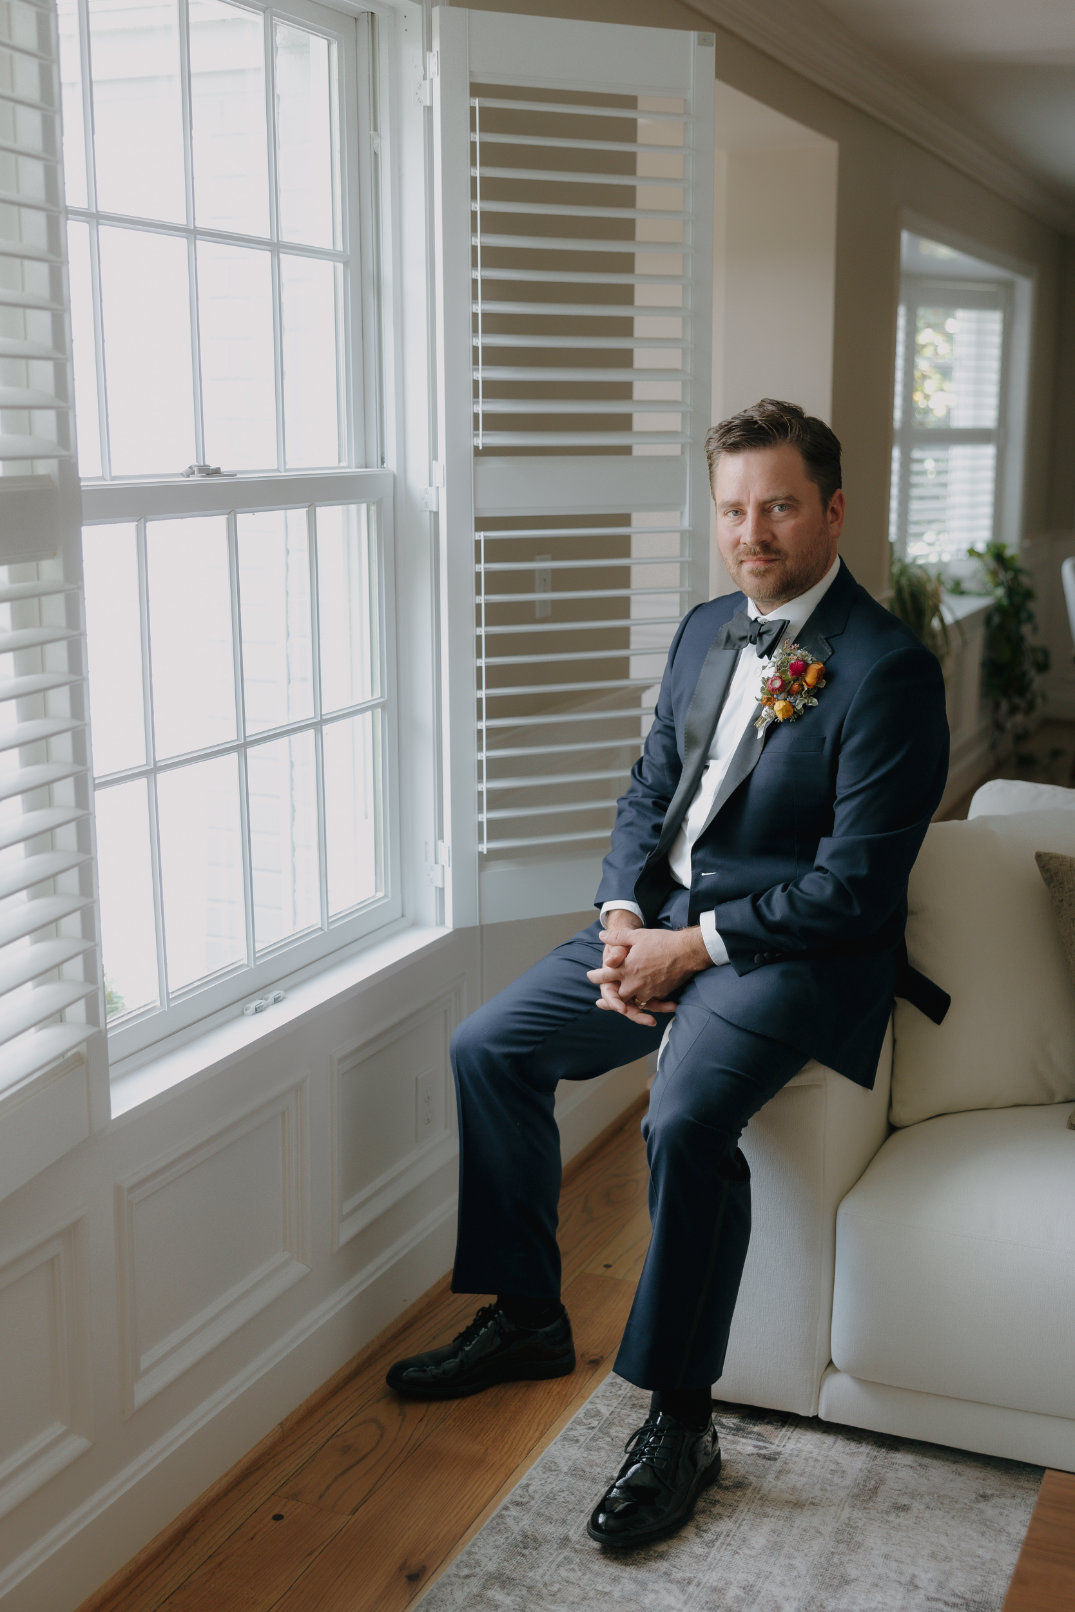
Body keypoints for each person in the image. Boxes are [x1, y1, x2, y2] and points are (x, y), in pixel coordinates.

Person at [386, 399, 950, 1549]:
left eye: (780, 505)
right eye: (735, 509)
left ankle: (681, 1421)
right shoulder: (703, 629)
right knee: (489, 1045)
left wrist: (694, 949)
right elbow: (648, 789)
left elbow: (854, 888)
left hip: (795, 952)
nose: (755, 531)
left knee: (684, 1120)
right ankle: (532, 1314)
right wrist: (622, 916)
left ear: (832, 510)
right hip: (665, 922)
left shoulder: (887, 669)